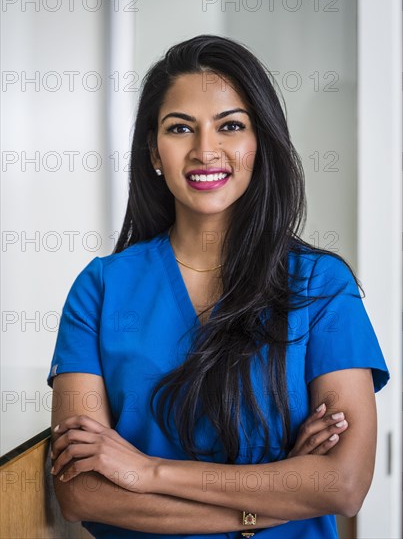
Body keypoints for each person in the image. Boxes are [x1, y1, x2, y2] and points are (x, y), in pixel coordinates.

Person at [47, 34, 390, 539]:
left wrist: (147, 471)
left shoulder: (320, 286)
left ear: (260, 144)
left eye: (230, 126)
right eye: (180, 128)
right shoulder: (99, 289)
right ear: (153, 152)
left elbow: (343, 483)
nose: (206, 150)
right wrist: (275, 496)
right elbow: (82, 493)